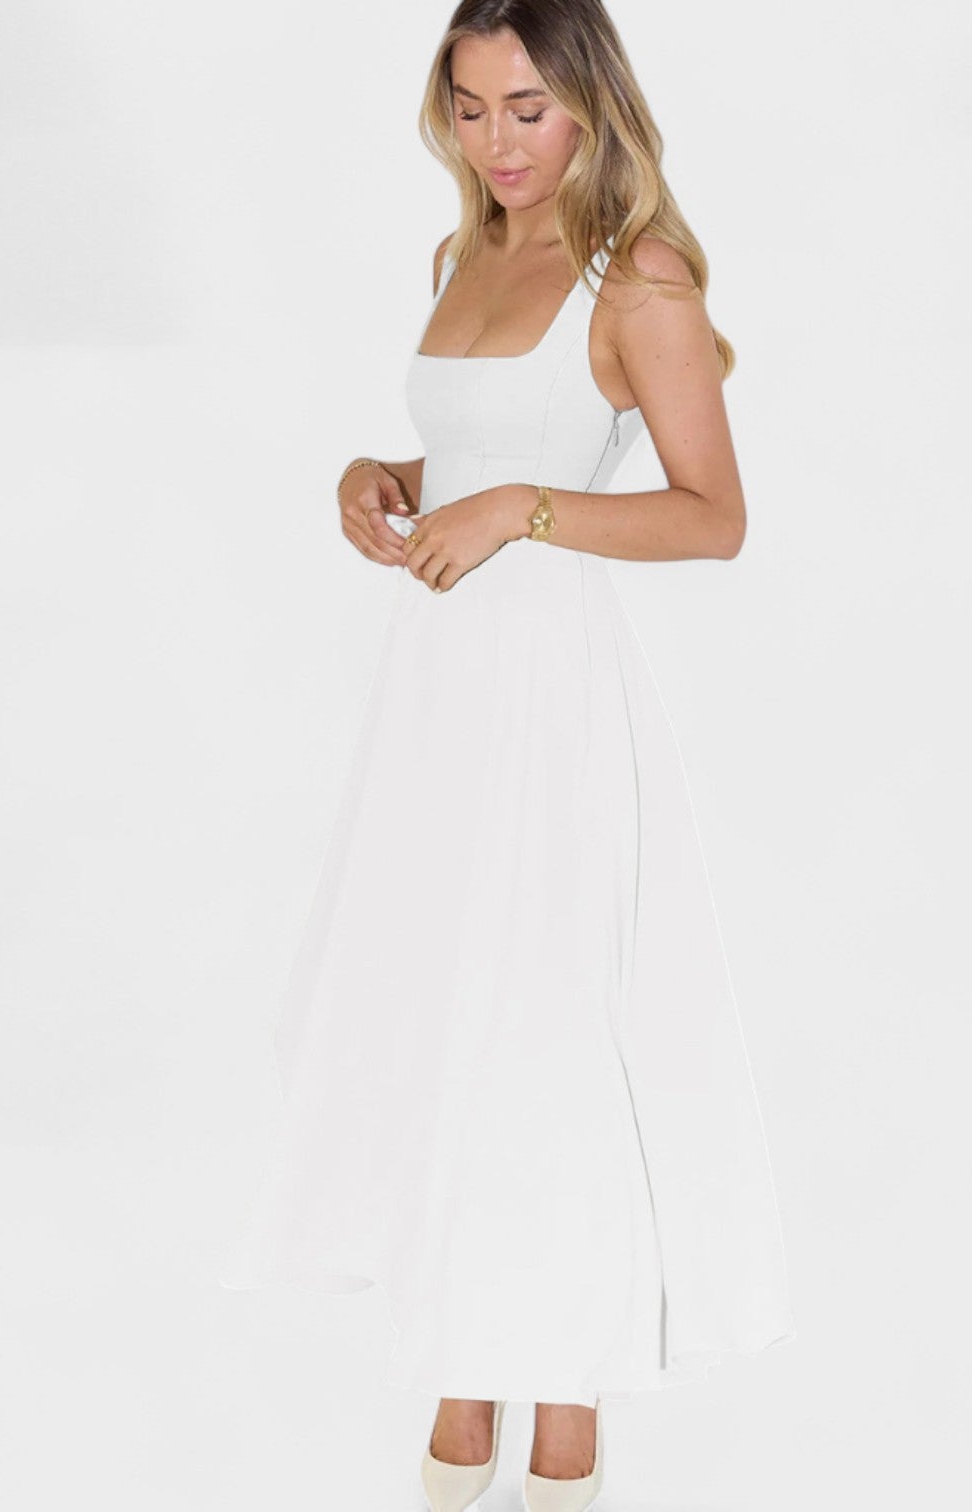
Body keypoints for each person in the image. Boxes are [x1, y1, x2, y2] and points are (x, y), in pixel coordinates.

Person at [219, 3, 797, 1508]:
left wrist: (521, 512)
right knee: (442, 1010)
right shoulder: (461, 252)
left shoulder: (638, 277)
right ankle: (463, 1361)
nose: (499, 142)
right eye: (471, 110)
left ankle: (564, 1400)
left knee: (546, 1023)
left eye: (527, 108)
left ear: (591, 101)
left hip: (549, 692)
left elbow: (713, 515)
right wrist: (384, 475)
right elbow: (478, 447)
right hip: (434, 694)